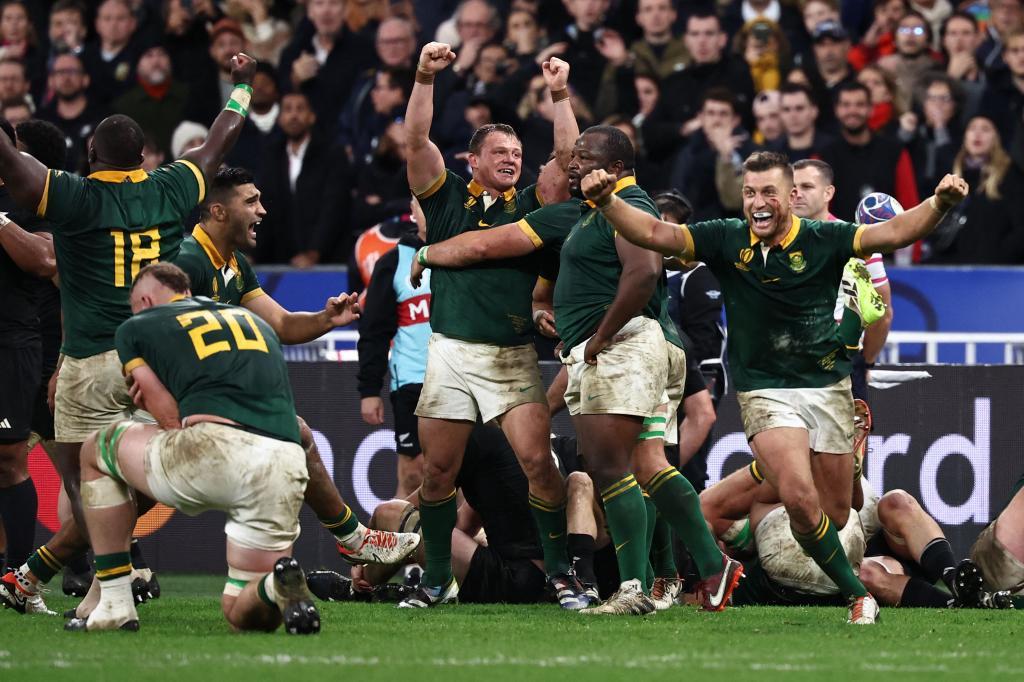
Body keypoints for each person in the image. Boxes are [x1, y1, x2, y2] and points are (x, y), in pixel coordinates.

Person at [579, 149, 971, 623]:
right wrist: (608, 203)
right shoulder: (725, 238)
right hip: (766, 391)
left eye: (768, 192)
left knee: (837, 515)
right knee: (801, 502)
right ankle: (858, 597)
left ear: (791, 195)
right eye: (749, 193)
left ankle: (822, 508)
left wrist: (940, 204)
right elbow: (658, 234)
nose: (757, 203)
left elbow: (894, 232)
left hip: (828, 390)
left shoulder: (825, 238)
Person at [0, 53, 257, 613]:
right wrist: (242, 86)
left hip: (88, 363)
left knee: (85, 487)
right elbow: (220, 137)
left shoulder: (74, 194)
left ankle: (98, 590)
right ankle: (100, 592)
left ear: (91, 155)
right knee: (131, 483)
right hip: (155, 362)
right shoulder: (172, 187)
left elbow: (18, 174)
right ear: (143, 158)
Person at [398, 44, 579, 609]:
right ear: (470, 159)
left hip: (512, 353)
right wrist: (425, 75)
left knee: (538, 466)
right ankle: (433, 581)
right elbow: (415, 142)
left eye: (517, 152)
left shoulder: (533, 206)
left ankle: (560, 575)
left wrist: (559, 93)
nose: (510, 158)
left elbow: (570, 160)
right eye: (498, 150)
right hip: (450, 351)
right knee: (438, 474)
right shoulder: (447, 197)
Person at [171, 166, 419, 565]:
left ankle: (351, 538)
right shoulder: (189, 262)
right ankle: (349, 539)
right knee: (140, 488)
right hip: (179, 399)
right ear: (218, 212)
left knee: (296, 436)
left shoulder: (233, 265)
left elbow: (283, 323)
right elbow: (156, 328)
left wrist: (325, 320)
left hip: (210, 396)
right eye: (251, 201)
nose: (263, 210)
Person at [60, 263, 319, 633]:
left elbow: (167, 419)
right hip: (284, 459)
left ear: (145, 300)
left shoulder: (139, 325)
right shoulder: (252, 321)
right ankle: (273, 586)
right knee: (240, 610)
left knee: (97, 449)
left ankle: (115, 603)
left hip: (215, 451)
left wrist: (155, 407)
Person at [549, 124, 740, 615]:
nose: (574, 162)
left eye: (585, 156)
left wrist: (599, 336)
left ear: (615, 168)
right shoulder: (598, 210)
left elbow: (645, 273)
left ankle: (634, 587)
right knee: (649, 464)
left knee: (610, 466)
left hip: (625, 348)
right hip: (640, 346)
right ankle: (710, 566)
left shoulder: (627, 205)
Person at [0, 118, 56, 613]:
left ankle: (18, 579)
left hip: (11, 344)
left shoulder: (28, 195)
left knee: (9, 460)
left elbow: (46, 260)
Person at [791, 159, 892, 401]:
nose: (797, 195)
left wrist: (863, 364)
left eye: (807, 187)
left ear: (829, 192)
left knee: (846, 440)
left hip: (839, 367)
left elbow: (883, 312)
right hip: (784, 367)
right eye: (792, 188)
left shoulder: (859, 242)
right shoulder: (769, 244)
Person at [357, 198, 430, 499]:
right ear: (413, 211)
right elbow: (374, 330)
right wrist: (369, 390)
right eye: (422, 203)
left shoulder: (465, 252)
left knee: (463, 473)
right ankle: (402, 544)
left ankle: (459, 545)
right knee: (413, 474)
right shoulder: (393, 262)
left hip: (461, 380)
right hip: (412, 380)